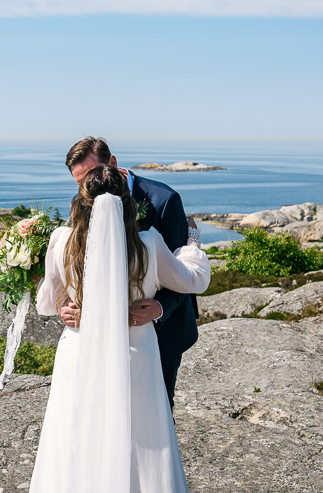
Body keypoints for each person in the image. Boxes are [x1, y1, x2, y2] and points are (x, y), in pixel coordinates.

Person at [30, 164, 210, 493]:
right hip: (134, 355)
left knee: (75, 432)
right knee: (140, 441)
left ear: (82, 201)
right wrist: (192, 240)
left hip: (77, 352)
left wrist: (63, 307)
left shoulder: (60, 241)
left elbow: (46, 301)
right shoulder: (148, 244)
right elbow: (193, 279)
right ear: (127, 201)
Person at [61, 137, 199, 409]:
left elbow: (180, 270)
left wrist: (159, 307)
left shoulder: (164, 200)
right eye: (78, 182)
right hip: (104, 330)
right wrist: (67, 304)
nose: (85, 188)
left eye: (89, 176)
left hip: (161, 331)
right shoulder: (84, 200)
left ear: (112, 163)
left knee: (156, 410)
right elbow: (80, 263)